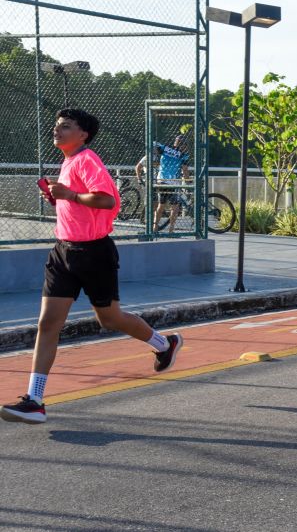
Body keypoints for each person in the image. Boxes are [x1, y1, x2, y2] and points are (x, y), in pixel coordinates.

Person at [0, 109, 182, 425]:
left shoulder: (87, 160)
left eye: (66, 126)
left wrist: (69, 194)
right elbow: (79, 203)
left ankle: (164, 344)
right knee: (47, 324)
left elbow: (108, 201)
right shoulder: (68, 161)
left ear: (83, 134)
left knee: (109, 319)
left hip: (94, 252)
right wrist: (60, 199)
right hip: (63, 251)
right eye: (57, 126)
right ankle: (35, 400)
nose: (57, 130)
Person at [152, 135, 190, 233]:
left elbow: (154, 144)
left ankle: (155, 227)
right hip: (173, 183)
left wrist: (156, 156)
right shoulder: (183, 155)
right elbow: (185, 170)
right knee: (175, 206)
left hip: (161, 180)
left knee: (161, 205)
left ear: (175, 142)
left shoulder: (165, 148)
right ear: (183, 145)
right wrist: (188, 180)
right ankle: (171, 229)